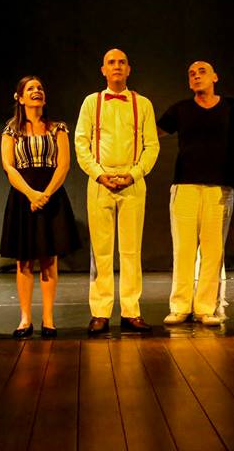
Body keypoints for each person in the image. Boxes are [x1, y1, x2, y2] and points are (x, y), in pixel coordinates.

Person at [74, 48, 159, 335]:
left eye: (122, 62)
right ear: (103, 70)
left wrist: (133, 174)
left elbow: (152, 146)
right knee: (101, 251)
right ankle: (100, 311)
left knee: (131, 250)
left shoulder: (143, 104)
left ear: (129, 69)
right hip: (101, 182)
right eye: (111, 62)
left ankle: (131, 311)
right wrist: (99, 175)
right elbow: (81, 143)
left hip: (132, 181)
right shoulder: (91, 102)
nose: (117, 66)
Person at [158, 61, 234, 327]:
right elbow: (152, 133)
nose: (196, 76)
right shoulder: (180, 109)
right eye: (191, 74)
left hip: (220, 188)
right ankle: (180, 306)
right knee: (183, 249)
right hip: (185, 186)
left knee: (213, 251)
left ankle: (206, 307)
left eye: (202, 72)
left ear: (215, 77)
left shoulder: (233, 108)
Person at [0, 76, 80, 338]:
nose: (37, 91)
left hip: (51, 194)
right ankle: (25, 319)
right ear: (20, 98)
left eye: (40, 88)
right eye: (31, 88)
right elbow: (9, 166)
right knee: (24, 260)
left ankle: (48, 318)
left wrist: (45, 194)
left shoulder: (57, 128)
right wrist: (31, 194)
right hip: (23, 196)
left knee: (49, 258)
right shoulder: (11, 130)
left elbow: (64, 165)